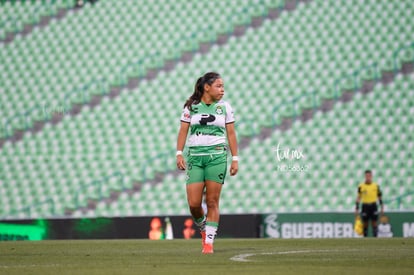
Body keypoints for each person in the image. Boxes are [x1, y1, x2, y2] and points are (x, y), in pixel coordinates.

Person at [176, 72, 238, 254]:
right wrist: (179, 153)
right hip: (195, 158)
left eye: (223, 86)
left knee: (212, 201)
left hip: (217, 157)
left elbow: (231, 134)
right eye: (219, 86)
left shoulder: (225, 107)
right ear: (207, 87)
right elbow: (183, 131)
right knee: (194, 204)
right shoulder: (191, 107)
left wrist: (235, 158)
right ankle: (203, 227)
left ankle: (209, 243)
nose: (223, 90)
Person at [355, 170, 384, 237]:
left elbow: (379, 196)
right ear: (365, 176)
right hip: (365, 206)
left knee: (374, 222)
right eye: (366, 176)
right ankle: (365, 237)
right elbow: (358, 197)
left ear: (371, 176)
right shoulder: (361, 186)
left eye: (369, 176)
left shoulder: (376, 186)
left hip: (373, 205)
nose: (368, 177)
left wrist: (382, 206)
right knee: (365, 223)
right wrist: (356, 207)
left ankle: (375, 237)